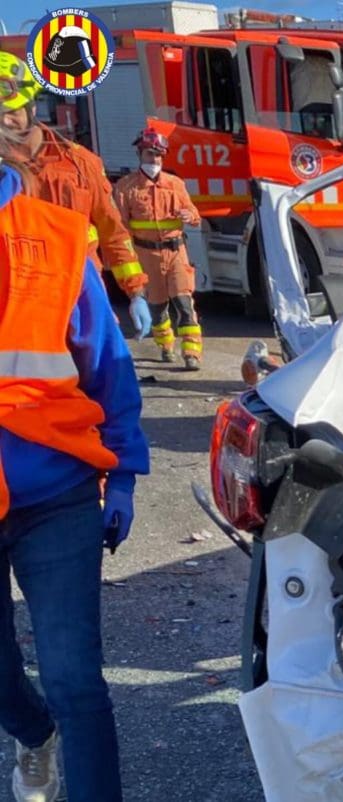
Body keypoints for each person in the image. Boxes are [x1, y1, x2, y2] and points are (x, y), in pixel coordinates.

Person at [0, 160, 149, 801]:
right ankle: (34, 733)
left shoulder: (57, 238)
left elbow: (109, 366)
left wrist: (124, 477)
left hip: (56, 494)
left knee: (75, 683)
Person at [0, 52, 151, 341]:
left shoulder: (80, 163)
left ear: (32, 107)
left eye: (13, 111)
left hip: (82, 299)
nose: (5, 121)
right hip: (21, 304)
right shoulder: (2, 173)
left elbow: (112, 232)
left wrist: (135, 293)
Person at [114, 128, 204, 370]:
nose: (154, 160)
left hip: (175, 252)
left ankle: (192, 352)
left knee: (184, 302)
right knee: (157, 306)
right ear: (140, 154)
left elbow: (194, 214)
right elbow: (120, 227)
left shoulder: (175, 184)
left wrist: (190, 216)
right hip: (146, 254)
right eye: (150, 154)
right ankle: (165, 345)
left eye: (158, 155)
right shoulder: (126, 187)